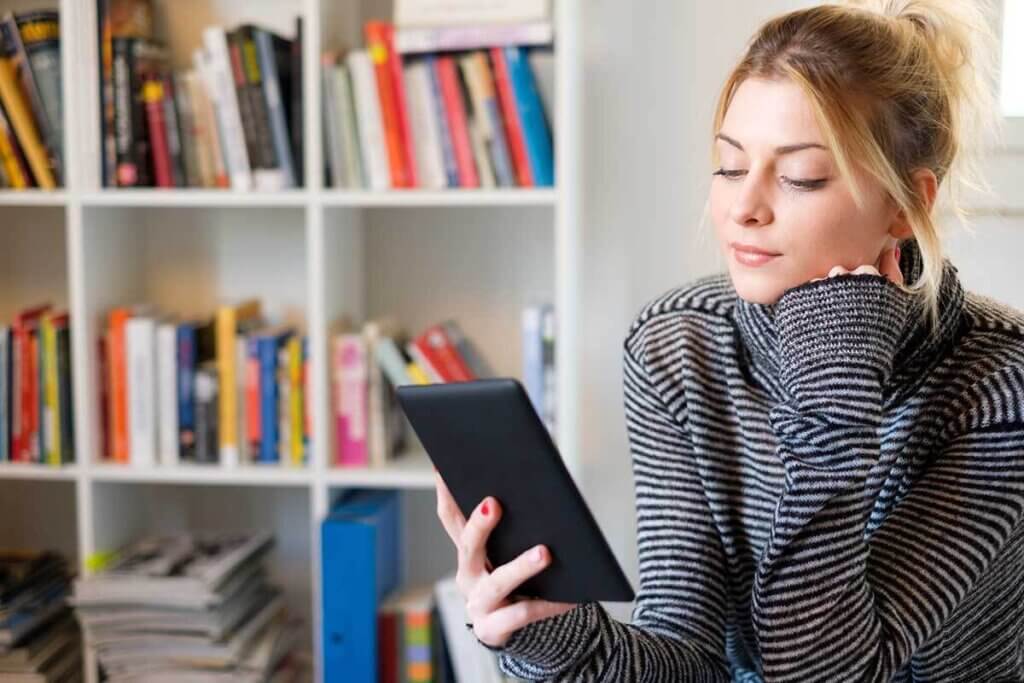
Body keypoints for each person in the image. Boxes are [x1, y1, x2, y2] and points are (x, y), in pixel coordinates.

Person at [433, 0, 1024, 680]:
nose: (745, 206)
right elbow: (690, 657)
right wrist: (557, 635)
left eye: (800, 175)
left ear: (906, 205)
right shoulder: (675, 346)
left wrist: (836, 372)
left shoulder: (1001, 383)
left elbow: (820, 668)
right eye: (729, 165)